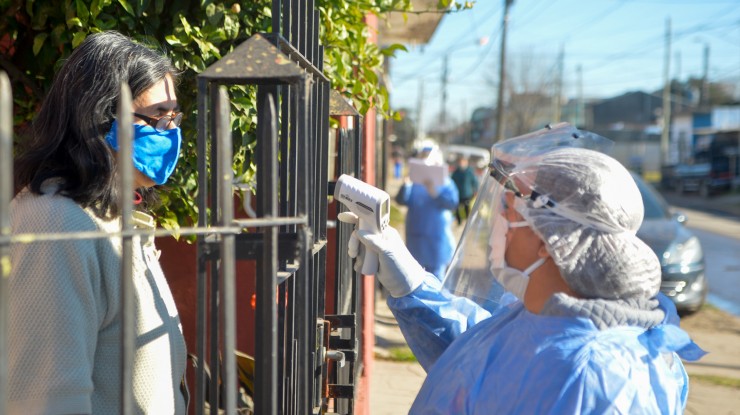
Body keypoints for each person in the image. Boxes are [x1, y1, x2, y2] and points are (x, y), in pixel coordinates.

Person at [341, 124, 704, 414]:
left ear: (552, 240)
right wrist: (409, 281)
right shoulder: (538, 318)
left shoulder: (599, 379)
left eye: (509, 212)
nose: (498, 220)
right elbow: (477, 359)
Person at [9, 31, 187, 414]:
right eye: (159, 117)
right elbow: (48, 400)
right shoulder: (56, 224)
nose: (172, 134)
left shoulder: (115, 217)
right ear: (101, 115)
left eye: (176, 118)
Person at [395, 144, 459, 280]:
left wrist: (435, 194)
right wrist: (406, 185)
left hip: (437, 239)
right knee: (415, 278)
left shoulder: (446, 182)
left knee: (436, 279)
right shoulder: (414, 182)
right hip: (416, 238)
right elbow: (401, 200)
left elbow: (453, 203)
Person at [450, 154, 479, 225]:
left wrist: (475, 190)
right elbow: (452, 182)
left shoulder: (469, 172)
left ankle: (467, 221)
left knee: (467, 208)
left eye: (463, 162)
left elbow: (475, 182)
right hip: (458, 194)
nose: (461, 164)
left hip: (467, 194)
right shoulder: (456, 173)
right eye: (460, 162)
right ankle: (459, 221)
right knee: (457, 209)